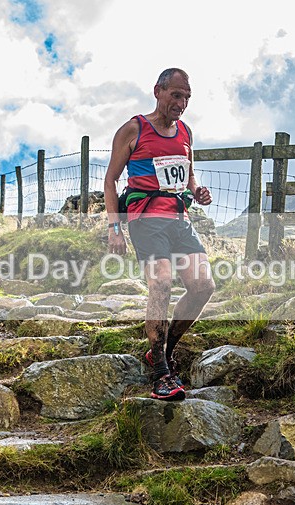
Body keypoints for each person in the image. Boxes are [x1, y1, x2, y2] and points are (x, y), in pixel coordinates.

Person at [103, 67, 215, 401]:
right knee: (162, 282)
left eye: (187, 98)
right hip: (145, 219)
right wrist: (115, 228)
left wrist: (197, 190)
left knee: (203, 286)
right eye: (176, 95)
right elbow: (110, 180)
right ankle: (162, 376)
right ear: (158, 91)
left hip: (179, 220)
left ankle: (162, 351)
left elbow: (189, 174)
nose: (181, 104)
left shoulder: (185, 132)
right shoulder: (133, 129)